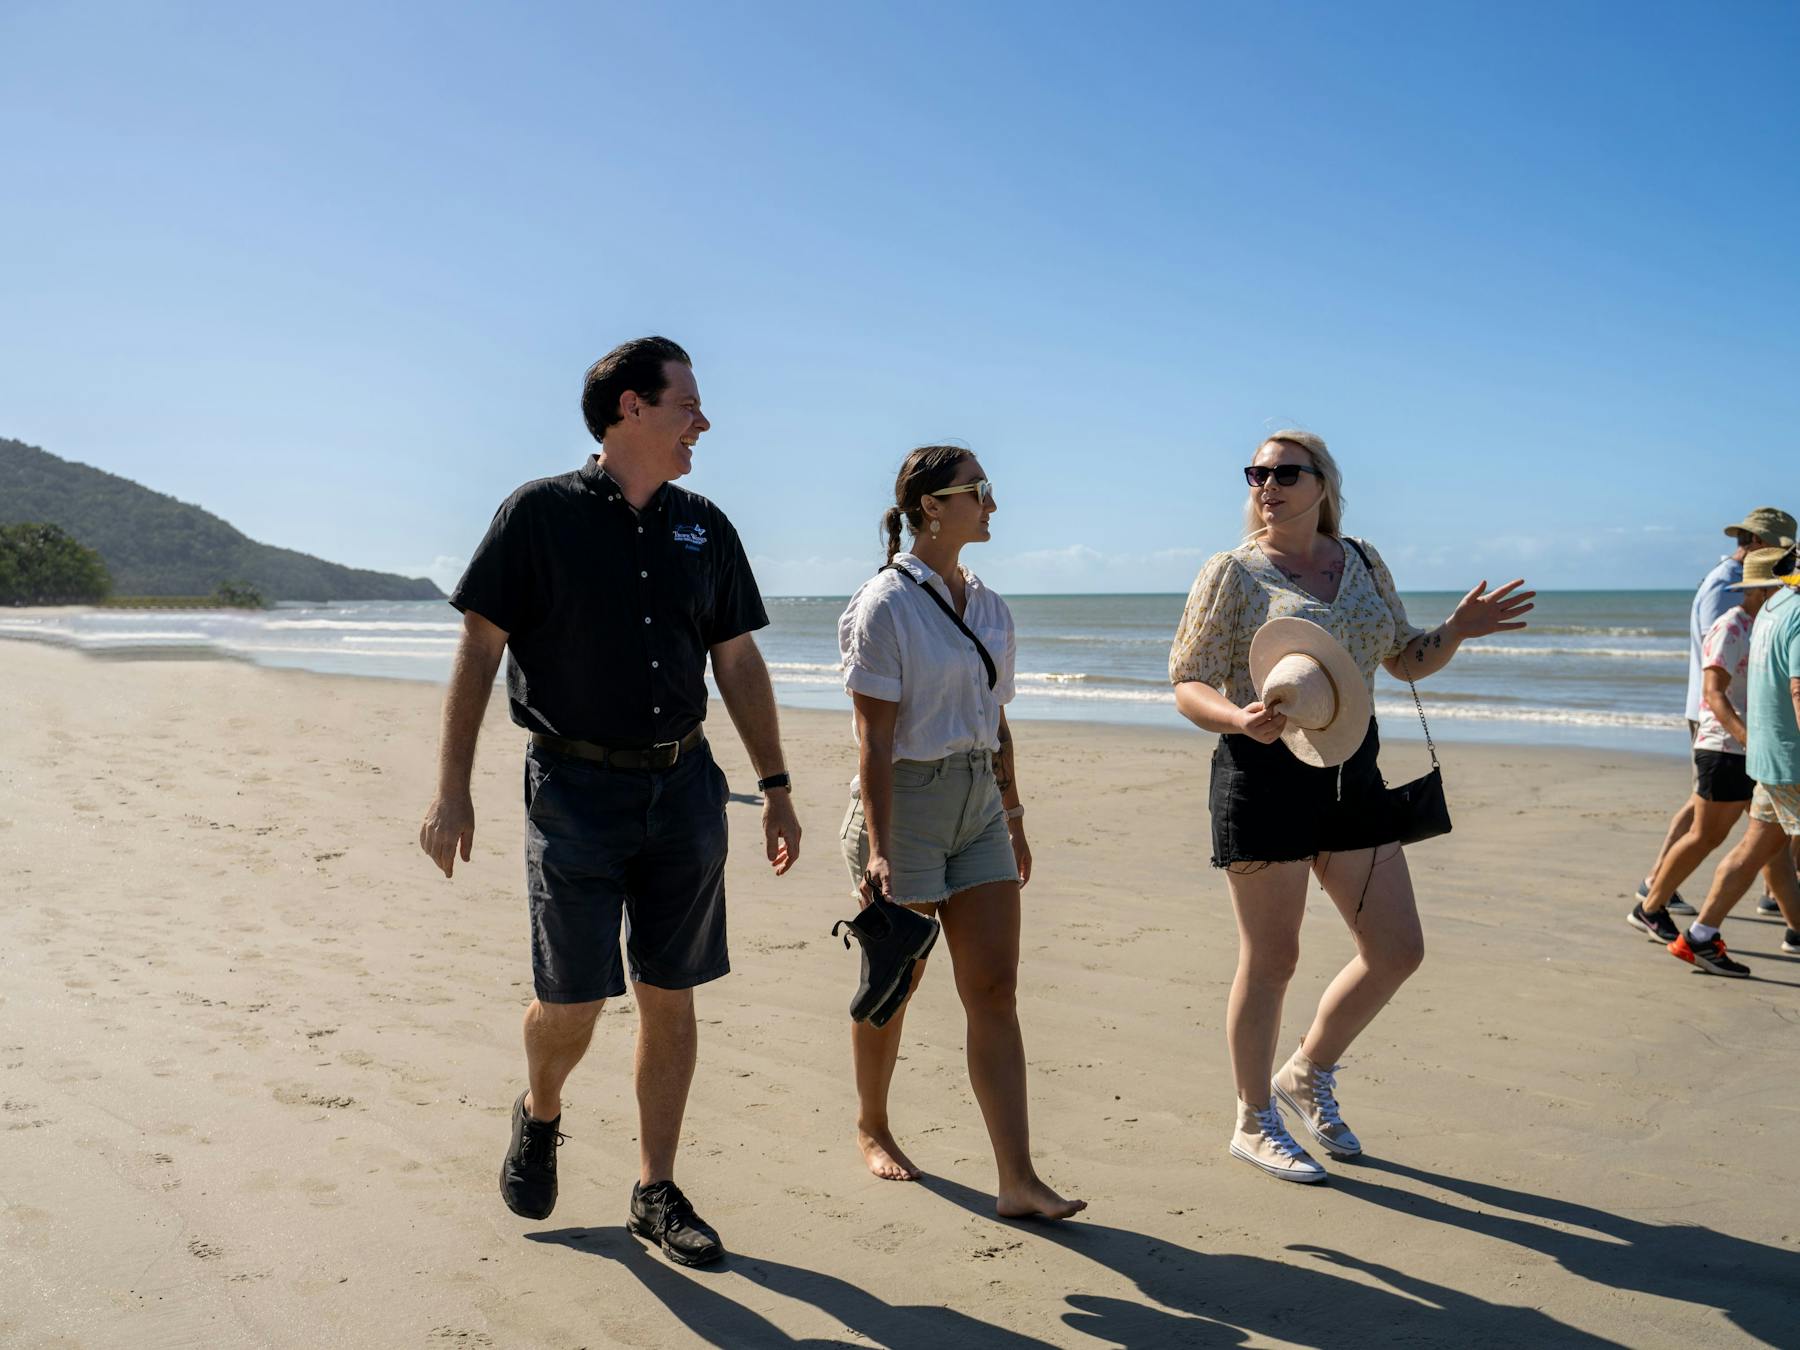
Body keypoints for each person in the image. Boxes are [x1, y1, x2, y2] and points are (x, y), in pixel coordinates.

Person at [417, 336, 803, 1266]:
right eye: (687, 405)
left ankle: (654, 1188)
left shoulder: (705, 526)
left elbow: (738, 661)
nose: (702, 423)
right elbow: (479, 649)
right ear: (631, 407)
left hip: (685, 789)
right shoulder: (537, 514)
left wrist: (777, 785)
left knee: (670, 993)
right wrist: (452, 791)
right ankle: (541, 1109)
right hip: (572, 790)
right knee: (572, 1000)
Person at [1169, 430, 1533, 1182]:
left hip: (1350, 773)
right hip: (1261, 773)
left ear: (1323, 483)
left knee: (1397, 948)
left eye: (1285, 472)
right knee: (1273, 959)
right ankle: (1252, 1119)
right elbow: (1187, 681)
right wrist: (1237, 717)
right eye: (1257, 473)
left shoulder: (1361, 560)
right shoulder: (1232, 573)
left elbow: (1403, 658)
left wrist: (1458, 632)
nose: (1267, 484)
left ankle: (1306, 1072)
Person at [835, 445, 1085, 1221]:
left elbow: (996, 720)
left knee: (994, 990)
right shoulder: (885, 604)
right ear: (932, 505)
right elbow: (873, 742)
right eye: (979, 492)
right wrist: (877, 846)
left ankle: (1018, 1178)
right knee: (895, 983)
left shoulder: (991, 608)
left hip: (978, 804)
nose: (992, 505)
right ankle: (872, 1125)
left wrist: (1013, 816)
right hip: (903, 806)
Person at [1637, 508, 1796, 916]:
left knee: (1732, 818)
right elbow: (1726, 660)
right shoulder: (1730, 589)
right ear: (1761, 544)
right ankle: (1658, 892)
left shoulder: (1731, 582)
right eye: (1785, 551)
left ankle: (1660, 891)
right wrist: (1747, 733)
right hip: (1726, 719)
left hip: (1740, 720)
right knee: (1718, 822)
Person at [1667, 551, 1800, 975]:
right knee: (1736, 843)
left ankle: (1700, 936)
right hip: (1788, 759)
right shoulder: (1793, 613)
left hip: (1768, 757)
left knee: (1755, 849)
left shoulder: (1774, 609)